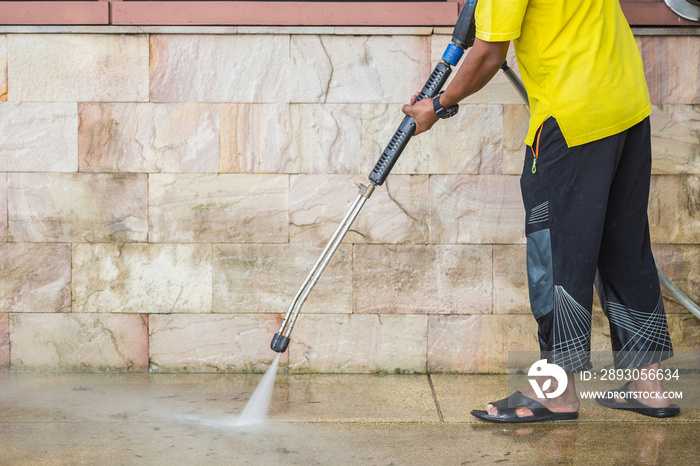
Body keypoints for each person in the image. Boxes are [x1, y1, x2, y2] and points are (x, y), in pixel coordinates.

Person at [402, 0, 679, 422]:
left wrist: (438, 105)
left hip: (572, 118)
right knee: (626, 248)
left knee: (556, 255)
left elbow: (489, 54)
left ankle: (557, 392)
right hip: (626, 105)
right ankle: (651, 388)